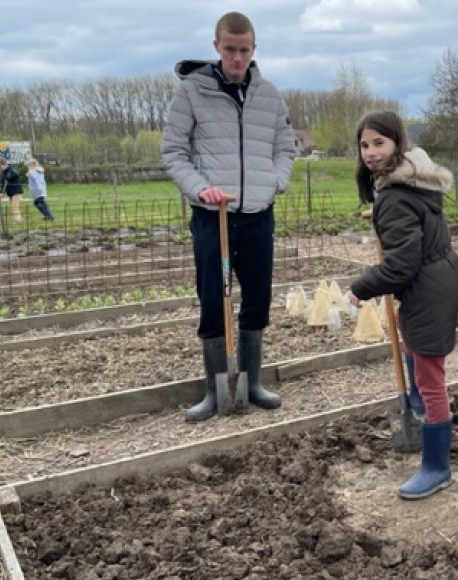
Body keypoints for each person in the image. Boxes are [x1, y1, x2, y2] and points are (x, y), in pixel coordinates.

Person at [161, 11, 297, 422]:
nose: (237, 57)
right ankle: (214, 386)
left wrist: (275, 181)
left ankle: (251, 383)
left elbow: (285, 148)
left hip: (258, 214)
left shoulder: (269, 95)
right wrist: (201, 188)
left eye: (245, 50)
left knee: (257, 298)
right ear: (216, 46)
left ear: (253, 49)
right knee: (214, 298)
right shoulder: (191, 93)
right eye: (230, 49)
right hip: (212, 216)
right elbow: (174, 151)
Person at [346, 111, 458, 500]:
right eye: (364, 144)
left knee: (431, 378)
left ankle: (436, 467)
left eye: (379, 142)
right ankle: (421, 407)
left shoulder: (396, 196)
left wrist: (360, 288)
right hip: (436, 279)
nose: (370, 152)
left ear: (398, 144)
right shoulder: (410, 181)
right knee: (414, 345)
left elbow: (400, 265)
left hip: (427, 286)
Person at [0, 158, 24, 223]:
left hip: (16, 191)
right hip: (10, 192)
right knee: (12, 207)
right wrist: (1, 192)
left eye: (0, 167)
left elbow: (15, 175)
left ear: (3, 164)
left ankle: (18, 220)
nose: (0, 169)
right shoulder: (4, 173)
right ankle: (16, 219)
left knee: (14, 206)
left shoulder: (12, 170)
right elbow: (3, 183)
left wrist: (7, 178)